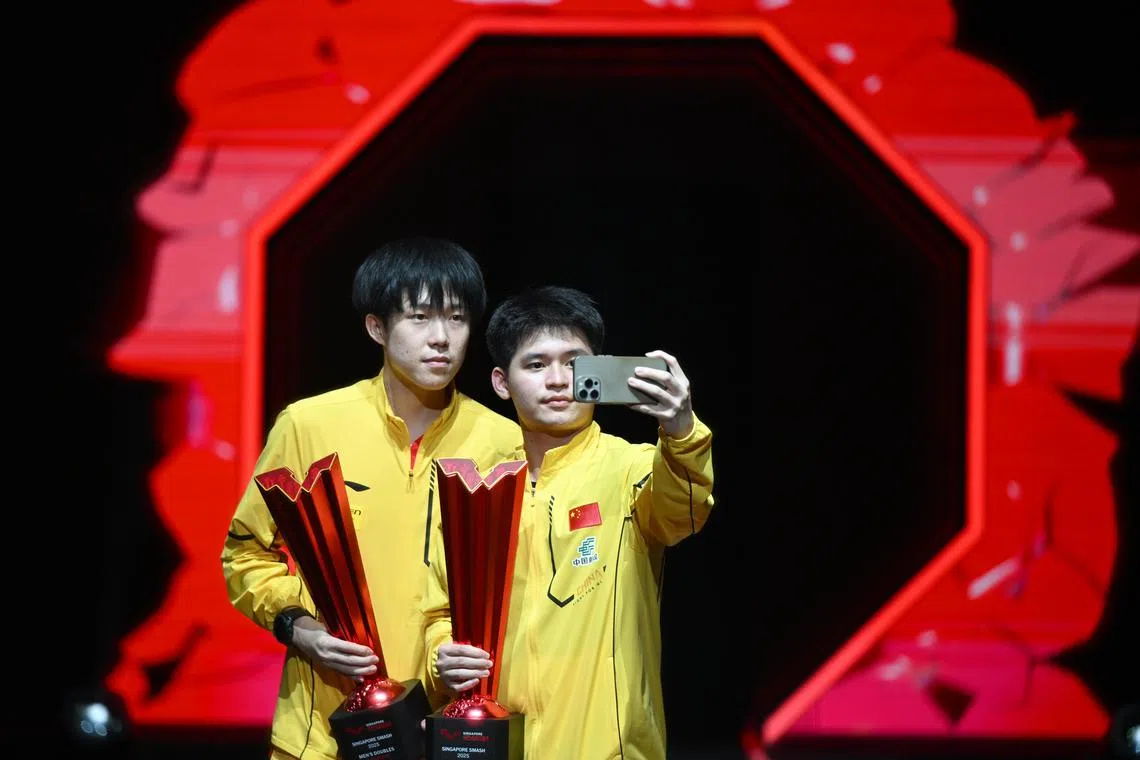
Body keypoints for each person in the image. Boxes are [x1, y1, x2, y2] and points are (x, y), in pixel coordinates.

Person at [221, 237, 522, 760]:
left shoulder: (504, 442)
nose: (441, 339)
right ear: (376, 327)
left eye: (457, 318)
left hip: (453, 733)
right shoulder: (310, 424)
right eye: (421, 317)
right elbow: (245, 554)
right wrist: (300, 628)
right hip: (324, 730)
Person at [423, 285, 715, 759]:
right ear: (502, 382)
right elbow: (438, 609)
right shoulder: (476, 488)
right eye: (536, 365)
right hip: (497, 745)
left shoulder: (634, 468)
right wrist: (444, 654)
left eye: (574, 362)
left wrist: (681, 430)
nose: (558, 380)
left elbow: (684, 513)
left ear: (598, 369)